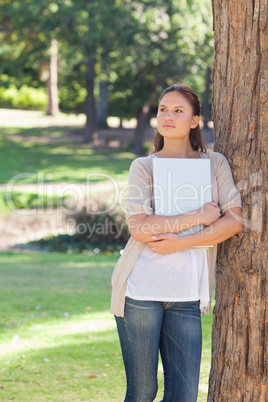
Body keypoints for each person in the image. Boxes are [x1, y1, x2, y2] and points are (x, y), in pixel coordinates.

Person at [111, 83, 242, 402]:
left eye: (178, 111)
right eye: (163, 110)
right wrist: (199, 214)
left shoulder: (214, 164)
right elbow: (140, 228)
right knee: (143, 391)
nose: (168, 116)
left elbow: (235, 220)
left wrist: (180, 242)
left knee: (183, 395)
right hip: (140, 291)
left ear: (195, 120)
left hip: (186, 294)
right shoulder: (143, 167)